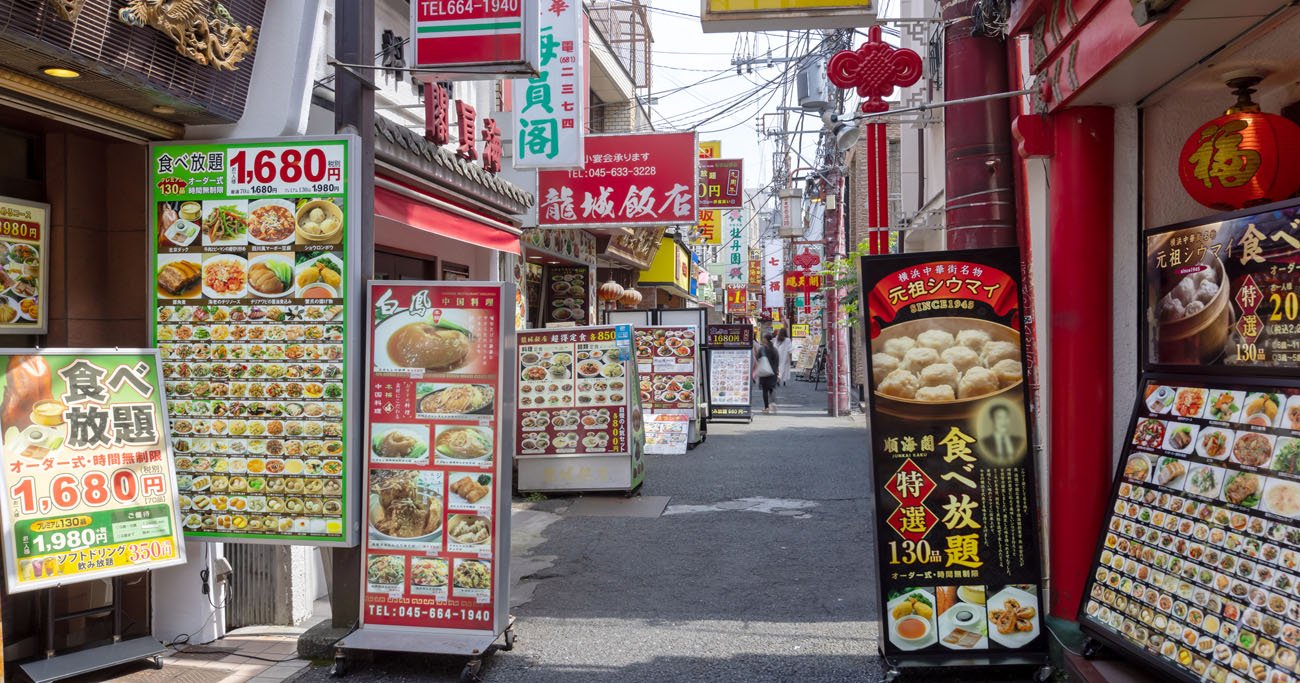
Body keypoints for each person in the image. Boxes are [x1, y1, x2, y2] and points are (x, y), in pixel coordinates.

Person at [757, 333, 780, 413]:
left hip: (764, 371)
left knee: (764, 390)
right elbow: (777, 361)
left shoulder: (762, 349)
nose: (763, 340)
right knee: (772, 388)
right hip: (773, 372)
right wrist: (777, 370)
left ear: (766, 339)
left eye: (763, 338)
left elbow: (758, 359)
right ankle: (773, 402)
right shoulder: (775, 349)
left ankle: (766, 407)